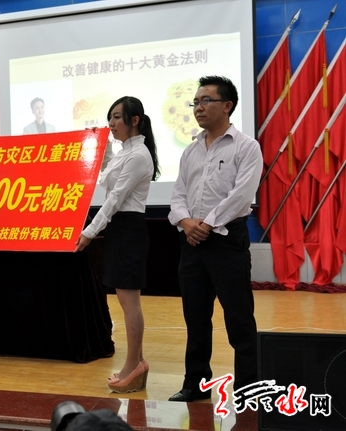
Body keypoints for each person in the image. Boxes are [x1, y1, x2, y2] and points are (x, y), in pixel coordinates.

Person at [167, 75, 262, 402]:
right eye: (195, 102)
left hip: (227, 241)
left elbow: (242, 195)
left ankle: (248, 389)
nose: (198, 107)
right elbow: (178, 194)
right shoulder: (190, 150)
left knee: (238, 318)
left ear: (227, 105)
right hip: (191, 243)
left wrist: (206, 223)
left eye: (205, 100)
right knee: (195, 318)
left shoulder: (246, 147)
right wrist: (186, 222)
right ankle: (195, 384)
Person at [75, 96, 160, 393]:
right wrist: (105, 148)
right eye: (109, 117)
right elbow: (108, 178)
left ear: (134, 121)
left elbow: (114, 199)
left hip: (128, 230)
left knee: (129, 302)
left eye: (116, 117)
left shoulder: (138, 155)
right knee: (126, 300)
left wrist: (89, 232)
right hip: (120, 230)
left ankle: (133, 365)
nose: (111, 123)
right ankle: (138, 363)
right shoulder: (127, 152)